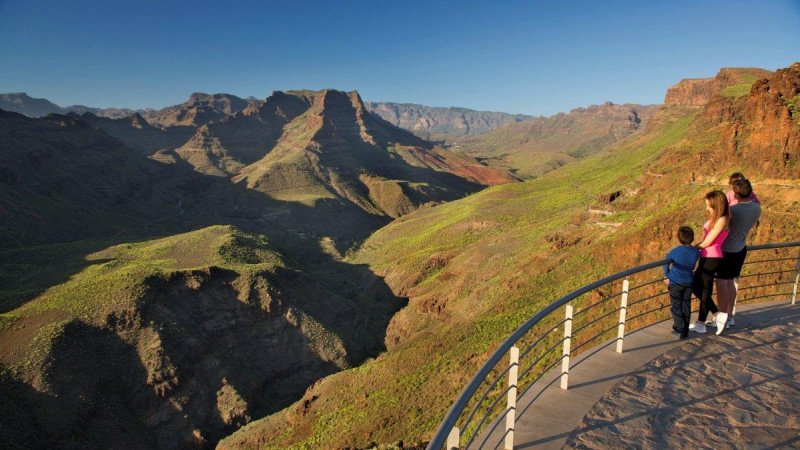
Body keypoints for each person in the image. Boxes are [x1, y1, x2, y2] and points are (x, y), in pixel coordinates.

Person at [714, 179, 761, 335]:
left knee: (722, 283)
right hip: (740, 249)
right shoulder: (756, 208)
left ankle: (721, 318)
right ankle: (729, 317)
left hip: (727, 250)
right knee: (731, 283)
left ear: (735, 193)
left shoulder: (733, 210)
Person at [689, 190, 730, 334]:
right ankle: (717, 314)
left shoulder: (722, 220)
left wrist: (690, 250)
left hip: (712, 258)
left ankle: (701, 323)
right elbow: (705, 241)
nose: (707, 209)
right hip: (706, 257)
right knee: (697, 287)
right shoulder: (717, 219)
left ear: (717, 205)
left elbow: (707, 242)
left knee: (705, 290)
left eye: (709, 206)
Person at [664, 226, 701, 339]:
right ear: (692, 238)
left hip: (675, 282)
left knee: (676, 306)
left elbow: (665, 263)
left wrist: (667, 275)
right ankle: (685, 331)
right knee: (686, 305)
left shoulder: (675, 251)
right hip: (689, 281)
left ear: (679, 239)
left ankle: (678, 329)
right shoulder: (695, 252)